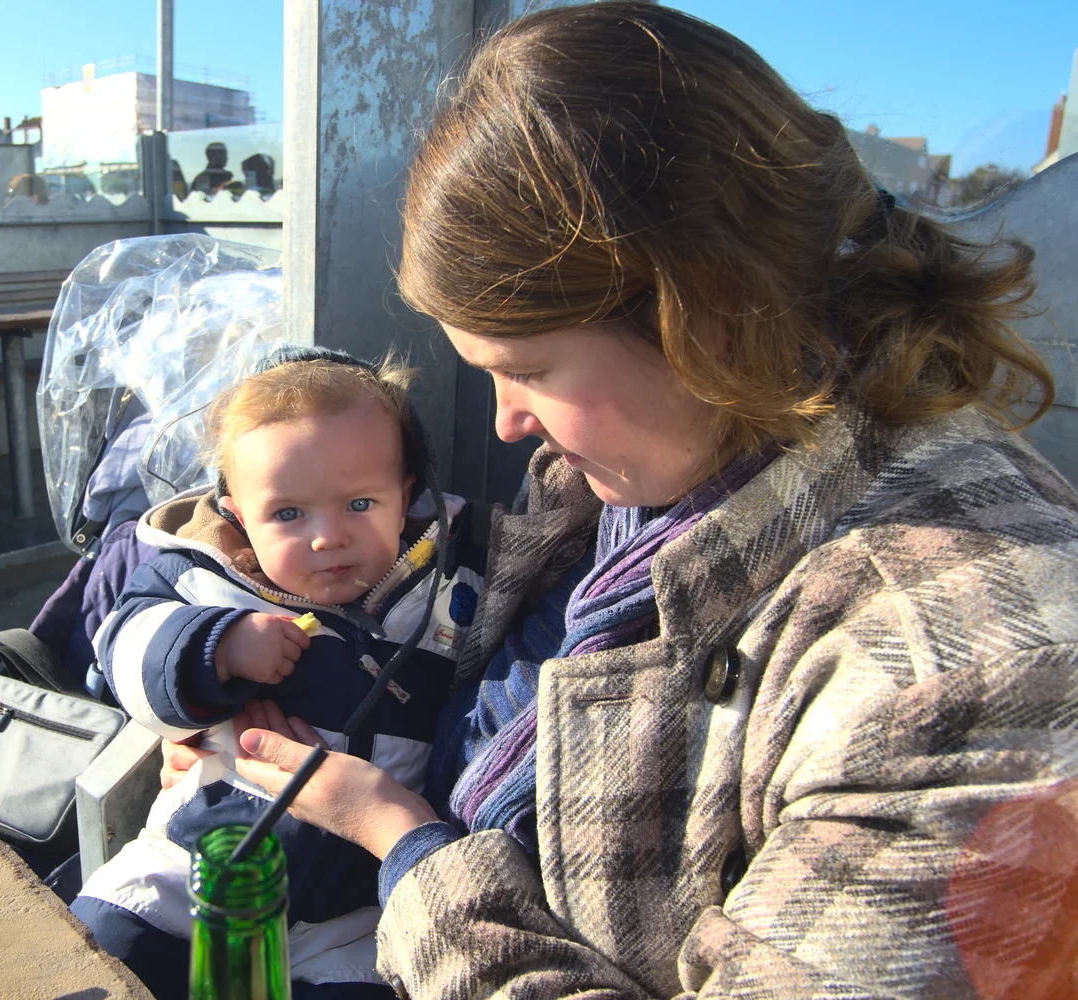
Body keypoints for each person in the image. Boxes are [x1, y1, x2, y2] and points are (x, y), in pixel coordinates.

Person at [158, 5, 1078, 998]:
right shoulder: (653, 458)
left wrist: (401, 839)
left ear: (709, 309)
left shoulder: (974, 680)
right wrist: (273, 707)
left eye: (528, 367)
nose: (506, 423)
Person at [72, 348, 487, 1000]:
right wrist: (216, 647)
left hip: (355, 913)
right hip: (192, 866)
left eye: (359, 503)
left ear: (406, 497)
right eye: (289, 515)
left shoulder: (447, 587)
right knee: (98, 952)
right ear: (237, 513)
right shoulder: (204, 576)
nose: (328, 538)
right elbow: (119, 647)